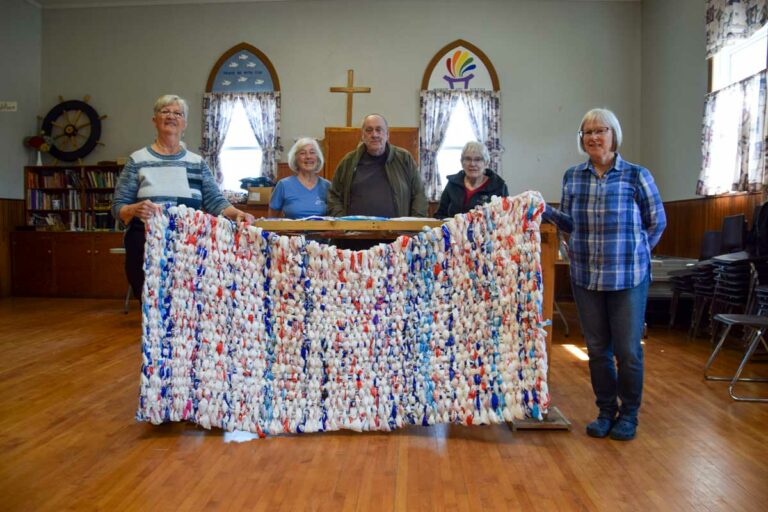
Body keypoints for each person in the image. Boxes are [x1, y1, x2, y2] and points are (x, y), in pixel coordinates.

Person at [544, 108, 666, 441]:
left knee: (628, 350)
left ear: (614, 135)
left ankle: (628, 415)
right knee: (597, 350)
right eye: (587, 133)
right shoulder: (573, 176)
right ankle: (604, 411)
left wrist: (638, 252)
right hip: (587, 276)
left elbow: (657, 222)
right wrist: (544, 209)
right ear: (581, 140)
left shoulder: (637, 175)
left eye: (601, 131)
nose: (594, 137)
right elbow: (569, 223)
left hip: (628, 277)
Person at [112, 94, 253, 299]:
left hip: (188, 245)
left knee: (186, 308)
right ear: (154, 120)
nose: (171, 116)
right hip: (145, 243)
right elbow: (118, 206)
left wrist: (237, 213)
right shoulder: (137, 160)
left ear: (184, 123)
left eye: (177, 113)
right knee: (152, 307)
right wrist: (133, 209)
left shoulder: (196, 162)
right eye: (165, 111)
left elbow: (215, 201)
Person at [326, 114, 427, 218]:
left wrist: (415, 224)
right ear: (363, 135)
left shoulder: (404, 158)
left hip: (396, 232)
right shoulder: (348, 161)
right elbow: (334, 196)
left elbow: (419, 194)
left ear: (387, 134)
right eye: (369, 130)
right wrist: (342, 222)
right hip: (355, 232)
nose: (374, 135)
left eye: (379, 130)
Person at [434, 141, 508, 218]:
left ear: (486, 163)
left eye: (478, 159)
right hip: (453, 229)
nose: (472, 164)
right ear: (462, 163)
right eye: (468, 159)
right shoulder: (452, 184)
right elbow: (440, 215)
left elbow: (505, 218)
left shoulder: (499, 187)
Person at [268, 138, 331, 219]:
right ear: (295, 159)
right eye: (303, 153)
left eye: (312, 152)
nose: (308, 156)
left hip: (323, 231)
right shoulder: (283, 185)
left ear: (317, 158)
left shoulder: (327, 186)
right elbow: (272, 220)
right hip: (290, 231)